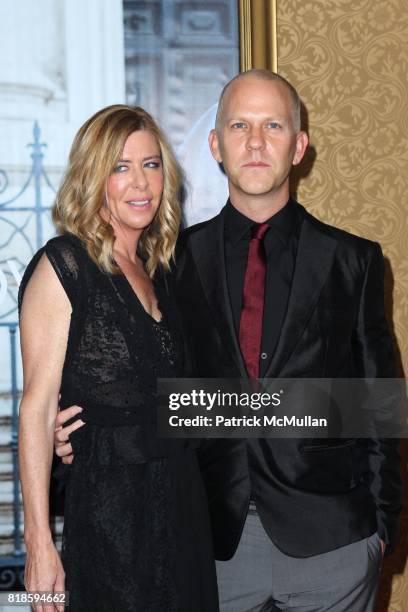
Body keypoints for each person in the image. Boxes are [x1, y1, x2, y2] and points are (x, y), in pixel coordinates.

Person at [55, 71, 402, 611]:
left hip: (333, 541)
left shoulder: (352, 260)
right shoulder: (169, 263)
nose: (256, 142)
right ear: (216, 144)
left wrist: (382, 528)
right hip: (210, 542)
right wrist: (78, 434)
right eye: (240, 125)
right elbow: (146, 387)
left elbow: (379, 400)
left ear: (299, 146)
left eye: (273, 126)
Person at [18, 105, 219, 612]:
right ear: (94, 177)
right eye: (120, 166)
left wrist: (329, 408)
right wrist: (40, 543)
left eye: (151, 165)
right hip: (109, 530)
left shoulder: (162, 273)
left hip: (182, 520)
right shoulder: (64, 264)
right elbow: (36, 409)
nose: (140, 183)